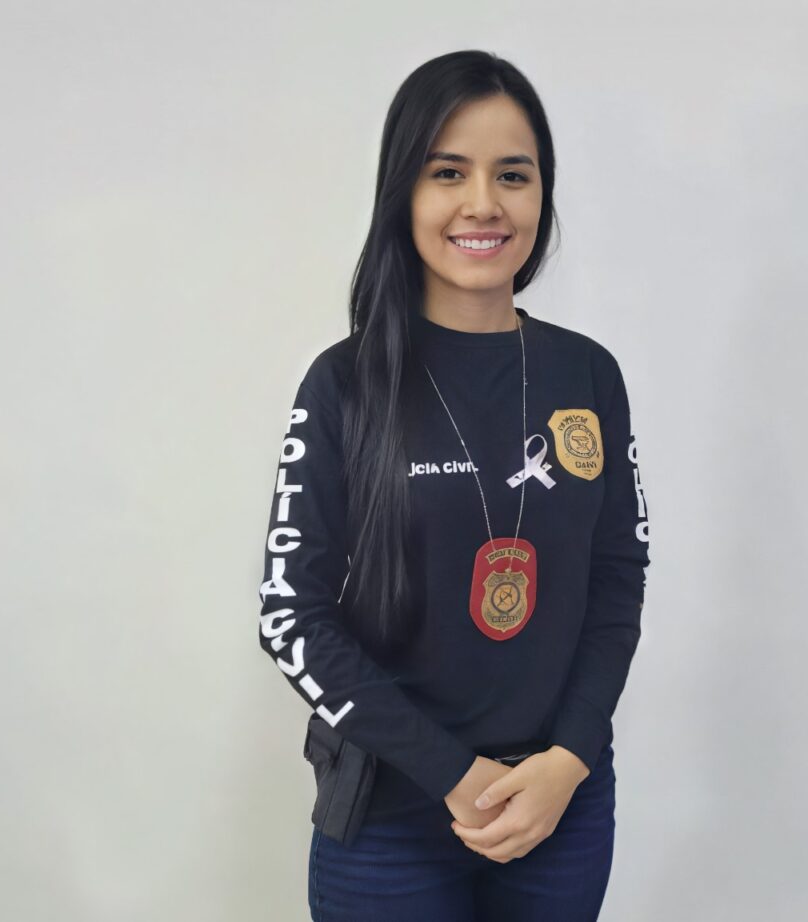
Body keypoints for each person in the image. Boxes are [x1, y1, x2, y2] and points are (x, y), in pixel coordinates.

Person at [257, 49, 651, 922]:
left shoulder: (587, 376)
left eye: (512, 174)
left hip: (560, 803)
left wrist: (570, 759)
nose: (483, 203)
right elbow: (291, 614)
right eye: (448, 172)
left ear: (542, 194)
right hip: (393, 815)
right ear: (404, 192)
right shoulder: (345, 384)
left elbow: (617, 578)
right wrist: (454, 774)